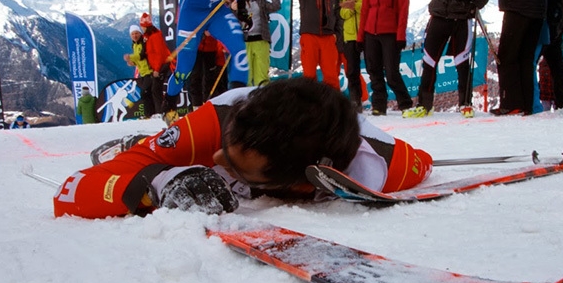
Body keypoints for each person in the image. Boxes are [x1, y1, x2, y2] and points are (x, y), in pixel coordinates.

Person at [53, 78, 433, 219]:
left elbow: (424, 164)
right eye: (226, 150)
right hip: (195, 137)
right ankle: (143, 143)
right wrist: (158, 179)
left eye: (236, 167)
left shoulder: (382, 168)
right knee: (163, 152)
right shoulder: (216, 124)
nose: (220, 160)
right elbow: (68, 193)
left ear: (302, 185)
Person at [163, 0, 266, 123]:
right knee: (184, 69)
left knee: (239, 51)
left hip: (215, 10)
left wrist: (243, 5)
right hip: (191, 14)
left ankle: (236, 108)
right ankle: (168, 104)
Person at [358, 0, 413, 116]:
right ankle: (379, 106)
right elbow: (365, 11)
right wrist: (361, 38)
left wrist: (400, 36)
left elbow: (403, 11)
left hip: (390, 34)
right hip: (370, 34)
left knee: (391, 73)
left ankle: (406, 104)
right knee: (373, 71)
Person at [283, 0, 340, 89]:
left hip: (328, 38)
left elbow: (337, 15)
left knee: (331, 74)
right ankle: (310, 106)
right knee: (309, 75)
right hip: (309, 36)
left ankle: (333, 105)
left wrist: (336, 34)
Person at [337, 0, 370, 109]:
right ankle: (356, 103)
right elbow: (341, 12)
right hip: (350, 34)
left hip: (368, 32)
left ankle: (379, 103)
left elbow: (369, 7)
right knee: (351, 72)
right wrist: (349, 9)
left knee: (374, 69)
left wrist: (353, 5)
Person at [237, 0, 281, 86]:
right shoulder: (237, 2)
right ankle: (245, 99)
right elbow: (231, 21)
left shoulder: (260, 0)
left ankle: (262, 99)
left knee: (261, 75)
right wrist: (234, 9)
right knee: (246, 75)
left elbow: (276, 6)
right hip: (244, 42)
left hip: (261, 40)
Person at [140, 13, 173, 117]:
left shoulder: (155, 37)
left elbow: (159, 54)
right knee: (154, 89)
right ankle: (157, 112)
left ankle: (160, 112)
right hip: (158, 66)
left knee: (156, 89)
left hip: (161, 66)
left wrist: (157, 69)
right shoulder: (149, 37)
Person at [189, 31, 229, 108]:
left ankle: (207, 104)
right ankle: (196, 105)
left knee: (209, 78)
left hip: (211, 48)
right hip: (196, 47)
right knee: (195, 77)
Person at [123, 24, 156, 118]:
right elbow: (139, 59)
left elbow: (142, 55)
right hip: (143, 72)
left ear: (140, 33)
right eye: (132, 34)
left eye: (136, 33)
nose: (134, 36)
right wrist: (133, 62)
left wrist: (130, 57)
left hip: (149, 71)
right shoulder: (134, 45)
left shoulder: (143, 43)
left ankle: (150, 114)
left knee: (145, 92)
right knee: (147, 93)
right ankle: (151, 114)